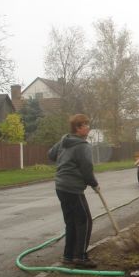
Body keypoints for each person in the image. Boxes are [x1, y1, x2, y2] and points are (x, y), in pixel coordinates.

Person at [48, 114, 99, 268]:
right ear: (78, 128)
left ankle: (68, 256)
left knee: (71, 222)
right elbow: (86, 169)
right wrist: (94, 183)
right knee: (85, 221)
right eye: (85, 125)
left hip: (61, 186)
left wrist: (64, 161)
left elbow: (50, 155)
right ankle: (81, 257)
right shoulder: (83, 146)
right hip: (72, 188)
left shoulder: (64, 140)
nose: (88, 128)